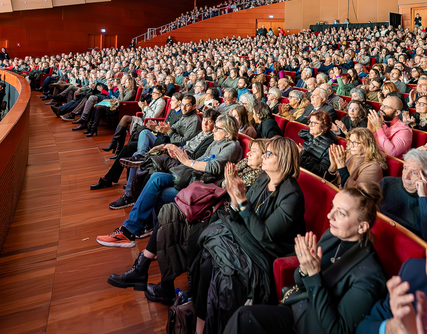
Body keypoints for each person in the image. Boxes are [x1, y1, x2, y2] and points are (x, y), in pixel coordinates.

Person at [108, 138, 269, 304]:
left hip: (221, 213)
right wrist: (226, 182)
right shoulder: (244, 164)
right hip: (211, 198)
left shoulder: (257, 174)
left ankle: (159, 281)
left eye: (254, 151)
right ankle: (143, 266)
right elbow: (219, 180)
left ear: (265, 157)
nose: (248, 153)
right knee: (168, 209)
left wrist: (227, 185)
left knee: (169, 209)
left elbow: (237, 200)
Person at [224, 183, 387, 334]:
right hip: (297, 311)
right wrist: (304, 268)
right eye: (332, 207)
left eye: (341, 213)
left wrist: (314, 274)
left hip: (313, 327)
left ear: (362, 226)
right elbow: (299, 281)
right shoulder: (333, 235)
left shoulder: (370, 275)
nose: (330, 215)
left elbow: (337, 330)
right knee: (242, 316)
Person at [189, 136, 305, 333]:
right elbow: (240, 213)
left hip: (265, 253)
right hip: (245, 238)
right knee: (207, 259)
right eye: (265, 153)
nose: (264, 157)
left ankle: (215, 326)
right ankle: (200, 324)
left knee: (224, 277)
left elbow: (265, 236)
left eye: (269, 154)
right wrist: (235, 199)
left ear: (283, 159)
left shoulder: (292, 195)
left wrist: (242, 202)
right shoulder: (263, 178)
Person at [96, 115, 241, 248]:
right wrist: (180, 156)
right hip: (190, 176)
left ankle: (143, 235)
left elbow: (213, 167)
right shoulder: (216, 142)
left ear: (228, 133)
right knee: (156, 177)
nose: (213, 130)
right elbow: (199, 159)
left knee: (157, 192)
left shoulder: (232, 146)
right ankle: (133, 231)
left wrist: (187, 161)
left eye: (217, 128)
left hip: (200, 187)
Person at [377, 149, 427, 239]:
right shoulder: (386, 183)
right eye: (405, 168)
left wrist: (423, 198)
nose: (405, 176)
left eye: (414, 173)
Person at [101, 85, 167, 154]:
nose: (152, 94)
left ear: (160, 94)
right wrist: (143, 108)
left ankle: (116, 147)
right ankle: (115, 146)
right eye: (152, 92)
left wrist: (145, 107)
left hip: (149, 122)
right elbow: (146, 113)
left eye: (154, 93)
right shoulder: (155, 100)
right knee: (125, 118)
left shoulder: (161, 102)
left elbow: (154, 116)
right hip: (144, 118)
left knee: (125, 122)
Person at [298, 110, 340, 179]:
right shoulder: (310, 136)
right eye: (310, 122)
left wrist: (302, 155)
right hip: (301, 172)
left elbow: (322, 171)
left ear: (323, 126)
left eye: (313, 123)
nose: (309, 125)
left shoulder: (329, 145)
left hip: (310, 179)